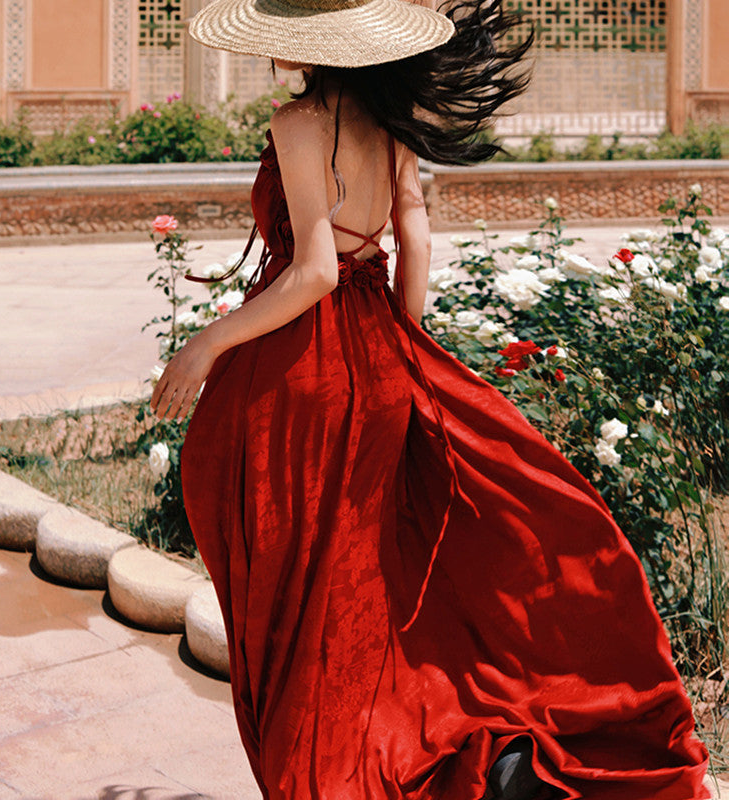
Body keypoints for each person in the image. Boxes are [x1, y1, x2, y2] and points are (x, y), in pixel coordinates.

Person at [150, 0, 711, 797]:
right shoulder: (394, 121)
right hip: (378, 357)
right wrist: (402, 347)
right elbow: (413, 235)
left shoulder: (298, 121)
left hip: (303, 372)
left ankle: (320, 767)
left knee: (299, 589)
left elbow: (312, 271)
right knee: (359, 578)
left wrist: (208, 343)